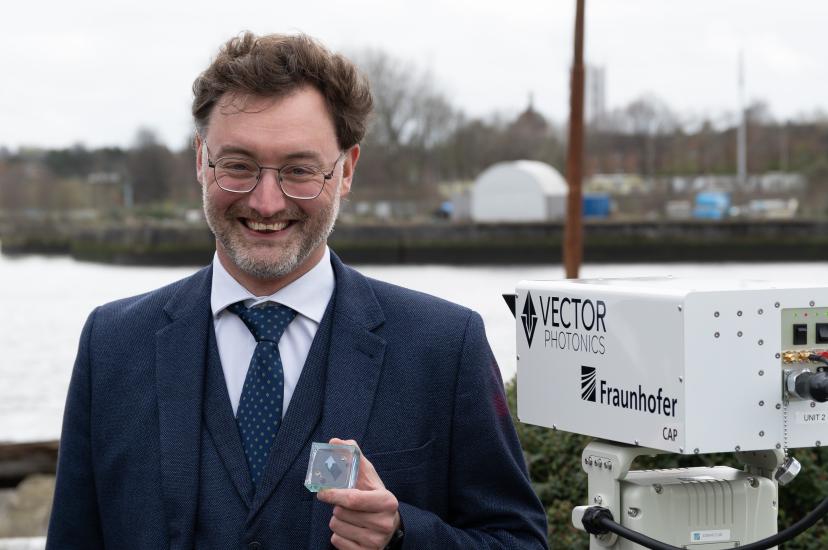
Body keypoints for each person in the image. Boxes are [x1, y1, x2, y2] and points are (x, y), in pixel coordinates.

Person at [47, 32, 548, 549]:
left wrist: (402, 534)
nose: (266, 202)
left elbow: (520, 541)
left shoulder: (444, 346)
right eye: (238, 165)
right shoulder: (111, 343)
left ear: (346, 170)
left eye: (299, 170)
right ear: (201, 160)